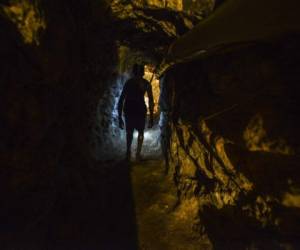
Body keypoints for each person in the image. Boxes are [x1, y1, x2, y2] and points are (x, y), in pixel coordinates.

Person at [118, 64, 154, 161]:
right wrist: (151, 117)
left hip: (130, 109)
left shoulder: (129, 83)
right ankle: (137, 153)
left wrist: (119, 116)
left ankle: (129, 152)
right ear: (142, 72)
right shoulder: (146, 83)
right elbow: (151, 101)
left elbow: (121, 99)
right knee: (140, 132)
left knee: (130, 132)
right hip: (138, 110)